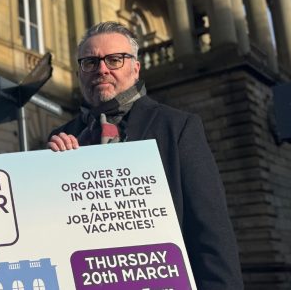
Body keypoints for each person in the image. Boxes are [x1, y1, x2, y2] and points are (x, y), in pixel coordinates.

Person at [47, 22, 244, 289]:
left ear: (136, 68)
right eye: (90, 62)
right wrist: (51, 172)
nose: (101, 69)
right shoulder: (60, 138)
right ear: (80, 72)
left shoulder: (177, 126)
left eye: (114, 60)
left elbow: (211, 233)